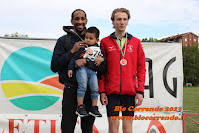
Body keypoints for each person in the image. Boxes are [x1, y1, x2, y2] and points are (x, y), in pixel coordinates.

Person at [51, 9, 106, 133]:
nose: (80, 21)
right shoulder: (64, 41)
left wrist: (86, 61)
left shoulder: (95, 42)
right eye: (77, 19)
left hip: (89, 93)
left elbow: (103, 68)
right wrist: (72, 52)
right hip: (71, 90)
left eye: (82, 19)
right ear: (72, 21)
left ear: (86, 21)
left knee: (87, 129)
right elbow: (54, 66)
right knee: (67, 128)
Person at [99, 8, 146, 133]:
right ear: (112, 21)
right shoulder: (104, 42)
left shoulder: (135, 42)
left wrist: (140, 91)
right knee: (113, 129)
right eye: (119, 19)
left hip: (130, 93)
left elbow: (141, 68)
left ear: (128, 21)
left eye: (125, 19)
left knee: (127, 129)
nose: (122, 22)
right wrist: (102, 91)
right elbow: (101, 70)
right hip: (112, 93)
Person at [67, 27, 104, 117]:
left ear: (97, 39)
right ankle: (80, 106)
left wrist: (101, 59)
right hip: (82, 69)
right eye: (86, 37)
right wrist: (70, 68)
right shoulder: (82, 48)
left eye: (91, 38)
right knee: (82, 86)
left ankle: (94, 107)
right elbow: (74, 58)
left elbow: (103, 58)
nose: (87, 40)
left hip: (92, 71)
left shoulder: (98, 49)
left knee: (95, 88)